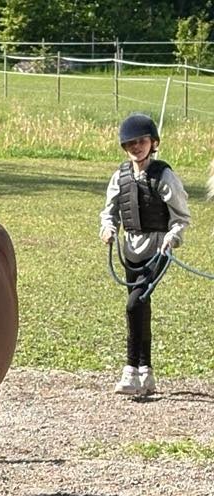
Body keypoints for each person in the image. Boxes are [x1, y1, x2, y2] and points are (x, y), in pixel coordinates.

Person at [99, 113, 191, 396]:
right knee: (139, 308)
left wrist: (172, 238)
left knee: (133, 303)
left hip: (158, 250)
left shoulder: (164, 176)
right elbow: (110, 210)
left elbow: (181, 216)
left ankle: (130, 369)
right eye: (130, 144)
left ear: (153, 143)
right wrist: (108, 228)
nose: (136, 147)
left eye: (141, 141)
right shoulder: (120, 176)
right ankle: (145, 373)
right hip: (131, 250)